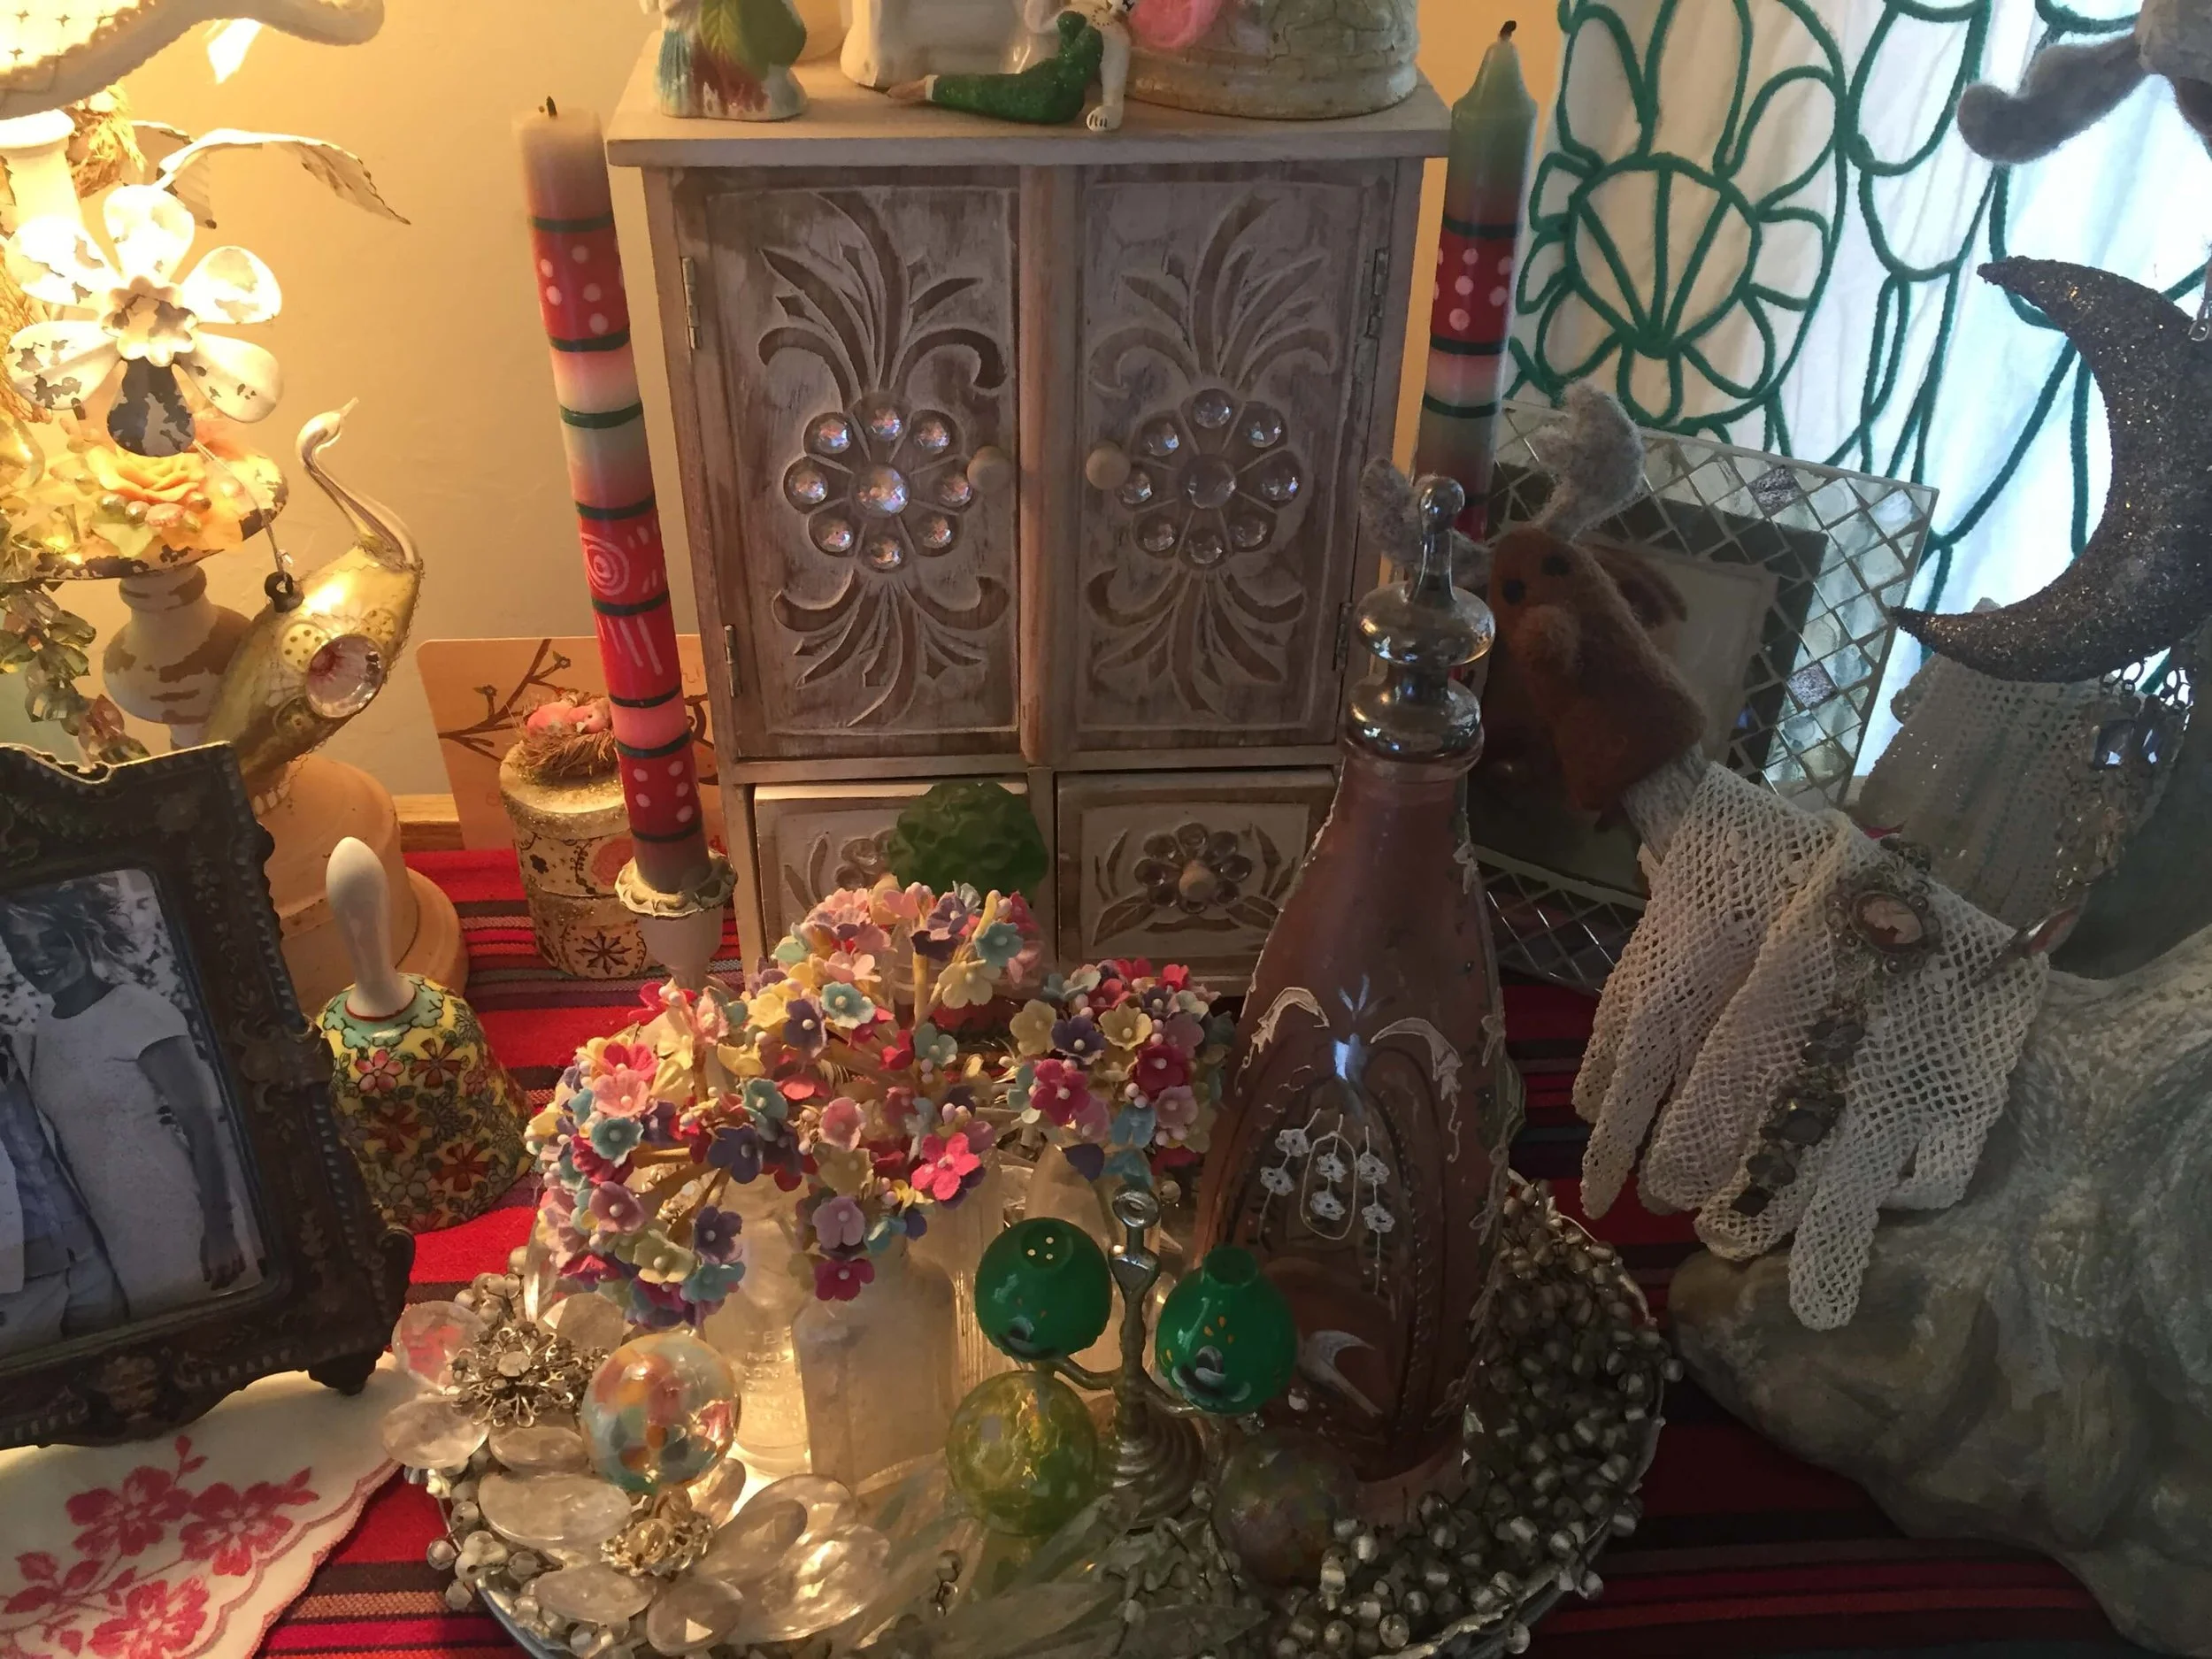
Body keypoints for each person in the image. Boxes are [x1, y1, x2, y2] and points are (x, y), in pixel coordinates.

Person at [0, 880, 248, 1323]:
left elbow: (201, 1122)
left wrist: (220, 1229)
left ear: (84, 933)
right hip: (116, 1233)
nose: (37, 957)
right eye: (21, 946)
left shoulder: (137, 1010)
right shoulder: (44, 1028)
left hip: (181, 1215)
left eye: (53, 939)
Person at [0, 1040, 127, 1356]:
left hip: (87, 1255)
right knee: (37, 1384)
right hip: (15, 1286)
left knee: (118, 1367)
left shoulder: (27, 1047)